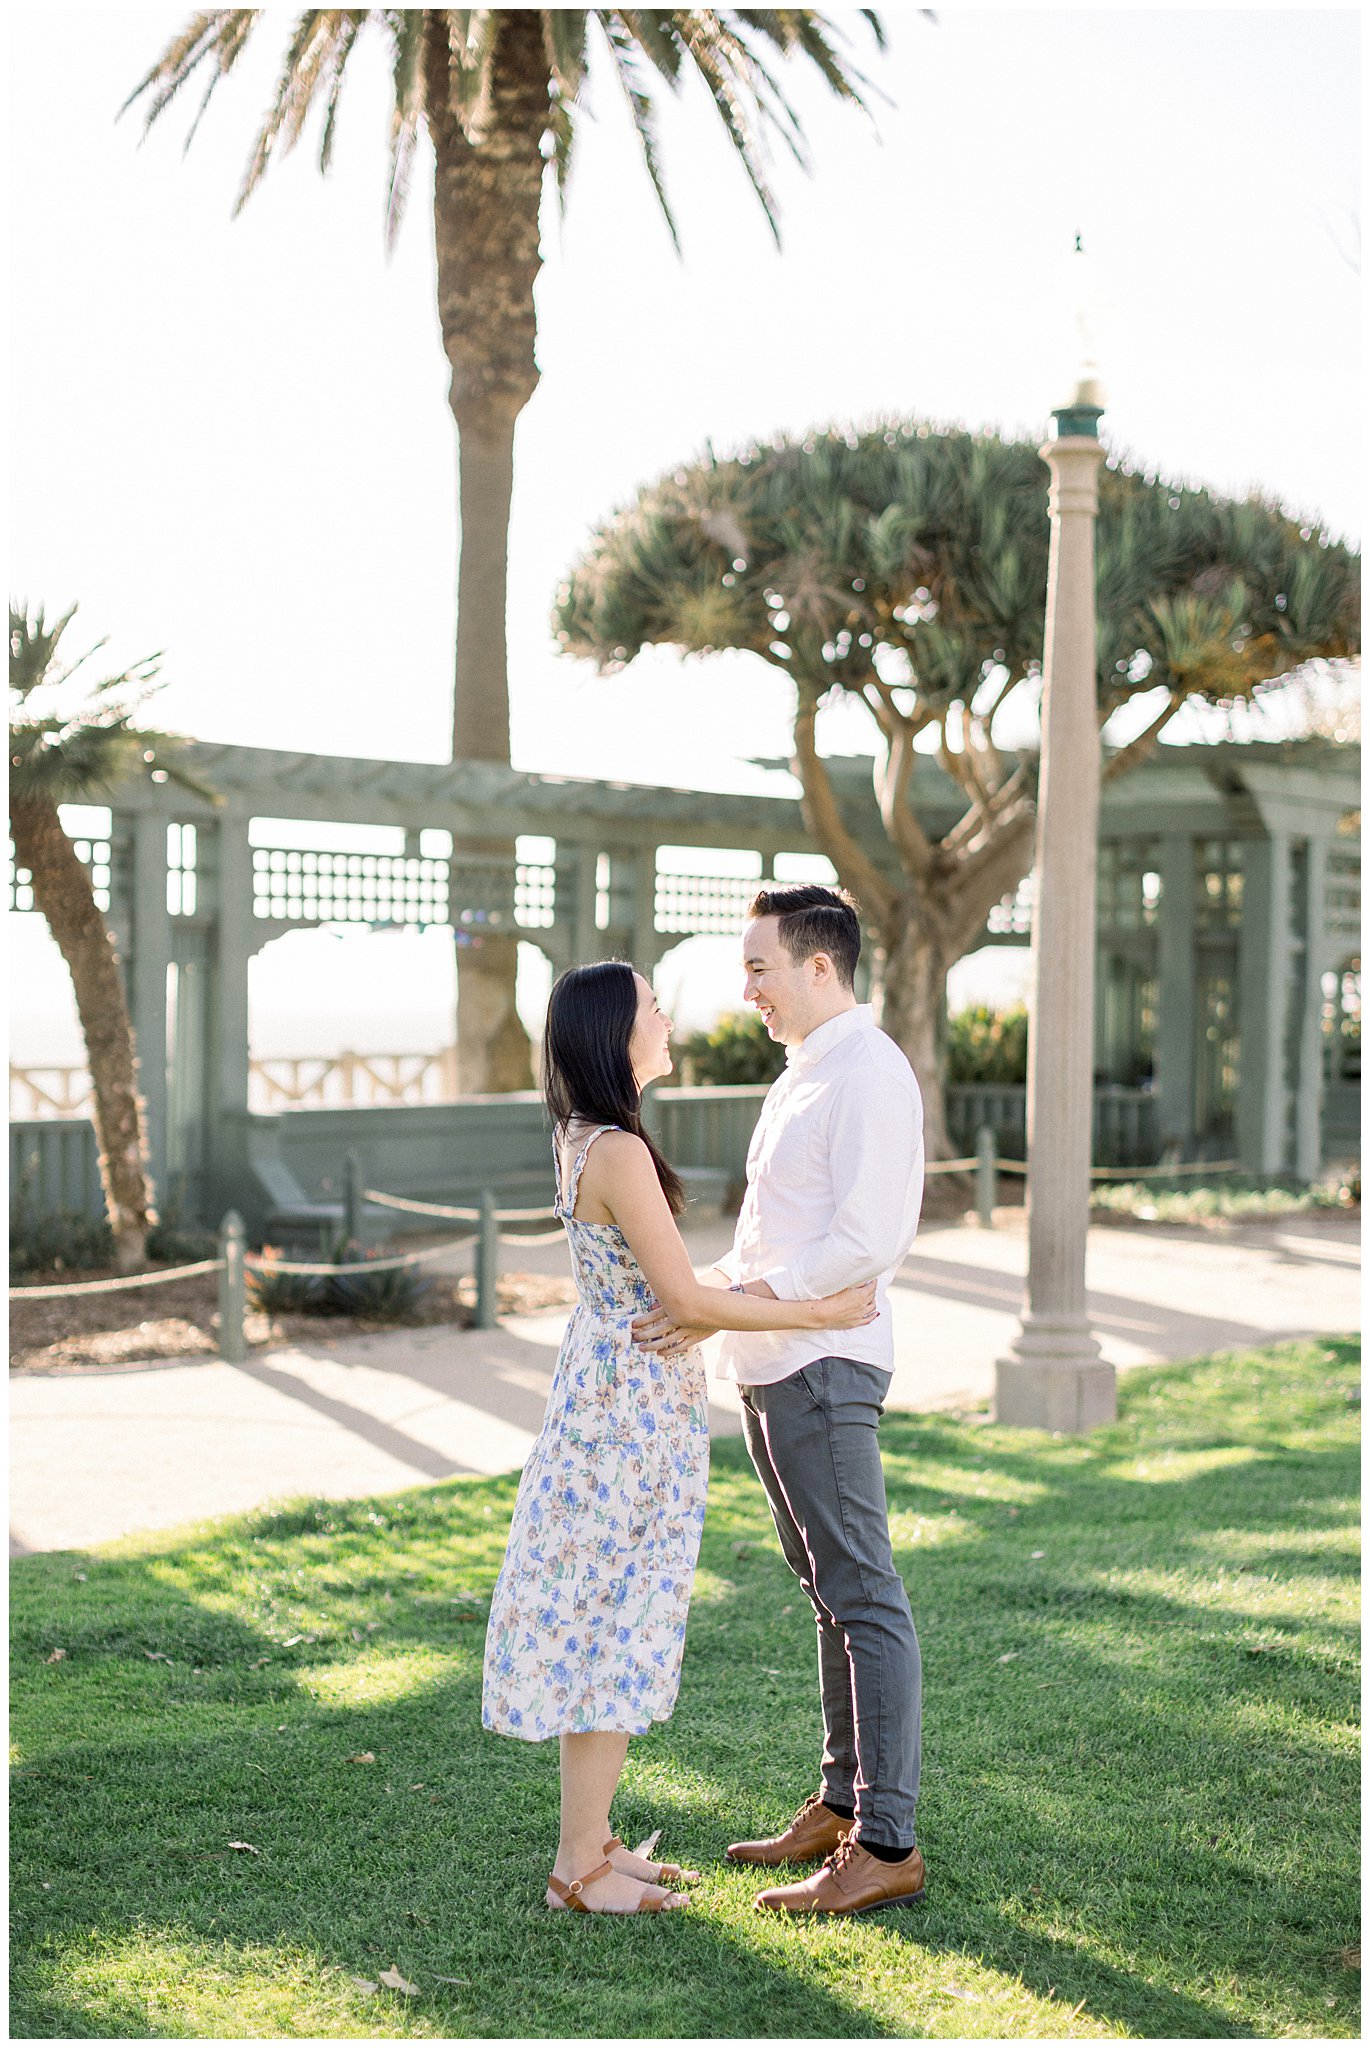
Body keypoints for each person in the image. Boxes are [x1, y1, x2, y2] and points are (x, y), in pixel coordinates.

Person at [481, 958, 879, 1918]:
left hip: (610, 1402)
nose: (668, 1021)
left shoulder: (584, 1137)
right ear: (617, 1034)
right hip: (626, 1423)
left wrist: (734, 1297)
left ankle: (598, 1844)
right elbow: (685, 1299)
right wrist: (826, 1311)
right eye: (653, 1009)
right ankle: (578, 1869)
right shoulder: (614, 1148)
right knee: (615, 1626)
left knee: (608, 1623)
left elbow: (676, 1292)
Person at [633, 884, 927, 1916]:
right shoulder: (799, 1075)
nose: (744, 987)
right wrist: (698, 1295)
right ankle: (841, 1800)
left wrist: (732, 1301)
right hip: (769, 1364)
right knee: (823, 1586)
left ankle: (884, 1840)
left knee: (863, 1592)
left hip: (823, 1364)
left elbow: (863, 1241)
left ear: (818, 965)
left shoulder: (868, 1071)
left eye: (758, 965)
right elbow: (771, 1239)